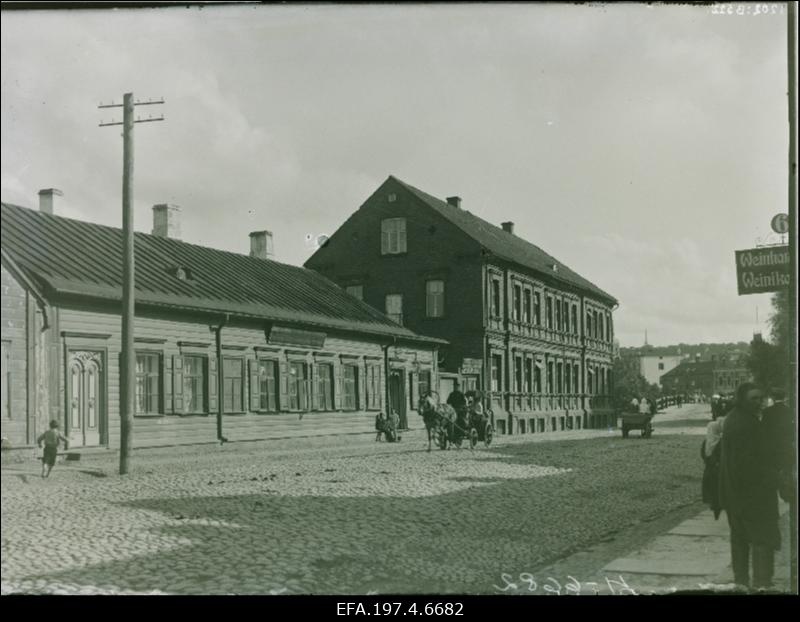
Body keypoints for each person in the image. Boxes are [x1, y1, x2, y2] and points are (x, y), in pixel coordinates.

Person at [718, 382, 780, 589]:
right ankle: (762, 583)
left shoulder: (735, 418)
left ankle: (741, 582)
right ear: (742, 399)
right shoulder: (746, 423)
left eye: (761, 398)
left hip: (735, 492)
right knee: (761, 538)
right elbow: (747, 464)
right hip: (751, 493)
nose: (759, 402)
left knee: (740, 540)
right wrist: (774, 477)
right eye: (754, 398)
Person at [761, 387, 795, 504]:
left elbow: (764, 431)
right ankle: (786, 494)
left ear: (773, 398)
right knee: (786, 470)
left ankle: (773, 494)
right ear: (784, 397)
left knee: (773, 470)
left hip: (772, 447)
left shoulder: (767, 412)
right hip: (786, 446)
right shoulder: (790, 411)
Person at [701, 408, 727, 519]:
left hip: (709, 469)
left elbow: (702, 454)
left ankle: (714, 506)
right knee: (719, 488)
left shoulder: (706, 442)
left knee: (712, 488)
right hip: (720, 470)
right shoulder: (721, 442)